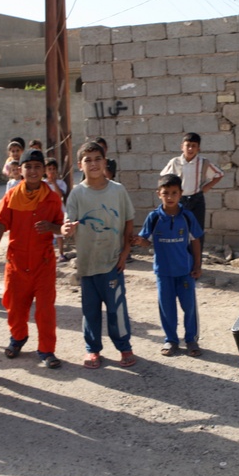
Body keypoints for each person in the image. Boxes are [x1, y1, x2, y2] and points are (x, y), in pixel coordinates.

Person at [61, 141, 136, 370]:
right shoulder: (77, 193)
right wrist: (66, 229)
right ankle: (92, 350)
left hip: (112, 262)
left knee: (117, 310)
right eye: (88, 160)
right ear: (80, 165)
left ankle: (124, 347)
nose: (93, 164)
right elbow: (67, 222)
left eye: (97, 159)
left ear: (105, 162)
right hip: (87, 264)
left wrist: (125, 252)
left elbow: (128, 221)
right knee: (90, 311)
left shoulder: (117, 190)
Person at [0, 149, 64, 368]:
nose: (33, 171)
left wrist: (52, 227)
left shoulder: (51, 198)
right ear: (20, 170)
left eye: (37, 167)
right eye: (28, 166)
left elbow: (61, 226)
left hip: (43, 263)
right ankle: (18, 338)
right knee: (15, 305)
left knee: (45, 309)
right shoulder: (12, 196)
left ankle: (47, 349)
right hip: (17, 263)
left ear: (43, 170)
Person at [132, 174, 203, 357]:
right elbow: (147, 240)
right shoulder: (154, 217)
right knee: (167, 308)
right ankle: (170, 340)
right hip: (163, 272)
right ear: (159, 194)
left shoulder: (187, 217)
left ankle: (191, 339)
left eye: (174, 193)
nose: (170, 197)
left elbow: (195, 241)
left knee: (189, 307)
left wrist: (197, 264)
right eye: (166, 193)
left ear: (180, 194)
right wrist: (140, 242)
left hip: (185, 271)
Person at [160, 132, 223, 248]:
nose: (190, 149)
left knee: (197, 230)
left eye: (194, 146)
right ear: (182, 147)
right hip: (179, 201)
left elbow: (219, 174)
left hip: (196, 199)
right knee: (178, 228)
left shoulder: (203, 162)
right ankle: (180, 257)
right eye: (187, 145)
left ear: (198, 148)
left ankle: (196, 262)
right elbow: (164, 178)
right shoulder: (175, 162)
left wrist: (206, 187)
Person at [44, 158, 70, 262]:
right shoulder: (42, 184)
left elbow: (60, 195)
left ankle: (61, 253)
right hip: (46, 211)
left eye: (53, 168)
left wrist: (54, 183)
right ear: (45, 171)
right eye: (49, 169)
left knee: (58, 232)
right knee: (47, 233)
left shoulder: (61, 183)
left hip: (58, 210)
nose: (51, 171)